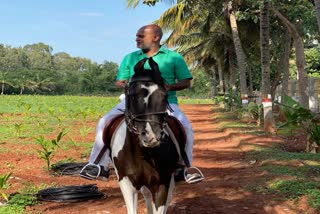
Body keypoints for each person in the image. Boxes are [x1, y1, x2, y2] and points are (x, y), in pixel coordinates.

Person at [80, 24, 204, 184]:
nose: (136, 39)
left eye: (140, 36)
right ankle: (98, 165)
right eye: (136, 36)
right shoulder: (130, 57)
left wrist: (168, 87)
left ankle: (184, 168)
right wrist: (127, 85)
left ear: (155, 37)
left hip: (163, 101)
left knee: (185, 126)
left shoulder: (173, 57)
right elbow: (119, 81)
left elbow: (186, 82)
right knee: (104, 122)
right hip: (132, 101)